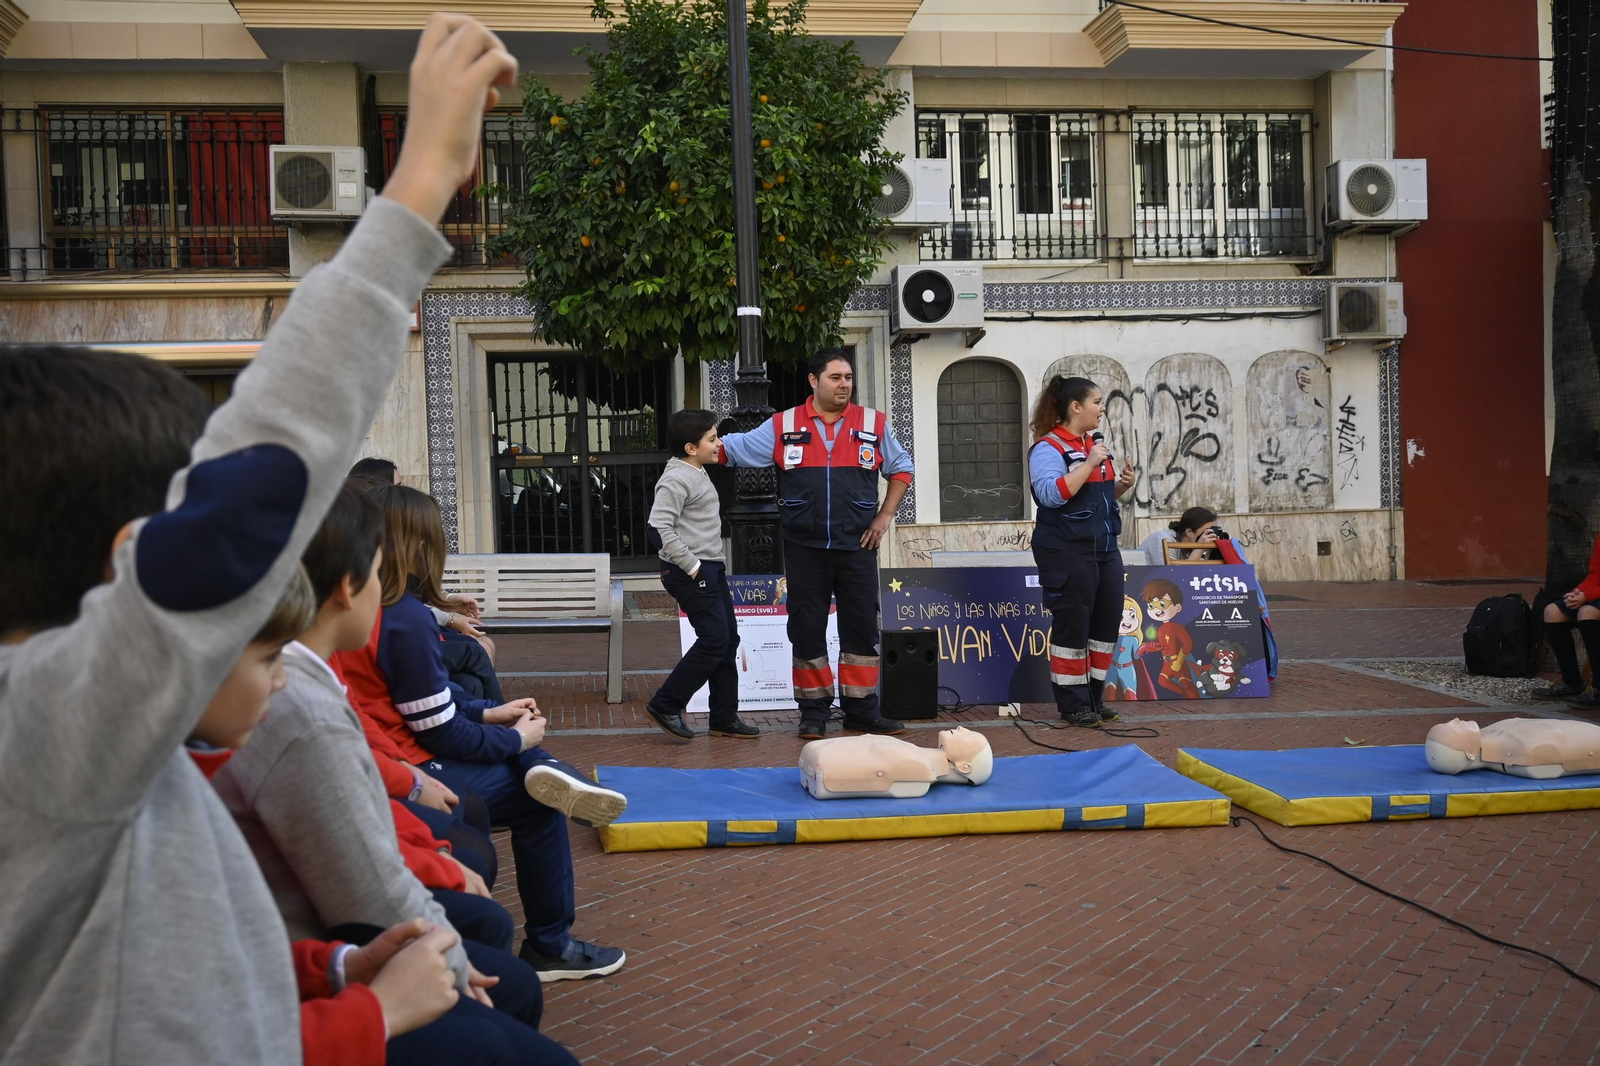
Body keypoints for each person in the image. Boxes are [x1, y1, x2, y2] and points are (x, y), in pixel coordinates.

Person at [0, 16, 516, 1062]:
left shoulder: (95, 757)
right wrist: (417, 183)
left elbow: (172, 952)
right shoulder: (45, 737)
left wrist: (329, 971)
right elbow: (265, 459)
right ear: (130, 555)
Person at [192, 564, 578, 1066]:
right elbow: (359, 863)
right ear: (346, 586)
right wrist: (377, 1006)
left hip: (312, 965)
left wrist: (338, 967)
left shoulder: (310, 681)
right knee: (518, 805)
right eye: (268, 660)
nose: (279, 679)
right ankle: (551, 931)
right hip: (414, 765)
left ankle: (543, 766)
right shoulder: (299, 713)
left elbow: (364, 756)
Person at [335, 484, 627, 982]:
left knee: (518, 746)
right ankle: (550, 945)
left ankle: (543, 766)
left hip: (394, 750)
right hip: (413, 765)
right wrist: (513, 740)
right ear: (421, 544)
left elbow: (408, 703)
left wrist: (491, 714)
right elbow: (437, 731)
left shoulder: (363, 602)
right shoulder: (402, 615)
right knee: (539, 801)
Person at [718, 347, 915, 738]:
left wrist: (885, 516)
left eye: (848, 378)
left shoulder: (873, 423)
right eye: (835, 378)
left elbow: (902, 468)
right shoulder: (783, 424)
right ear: (814, 381)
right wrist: (692, 448)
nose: (845, 385)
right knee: (807, 629)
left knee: (861, 630)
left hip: (858, 546)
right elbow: (732, 450)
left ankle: (862, 709)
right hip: (804, 547)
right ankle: (813, 712)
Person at [1027, 375, 1138, 726]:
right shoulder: (1048, 448)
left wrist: (1120, 484)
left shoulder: (1091, 444)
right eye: (1097, 402)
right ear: (1076, 407)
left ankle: (1093, 699)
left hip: (1104, 549)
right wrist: (1089, 464)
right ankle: (1073, 704)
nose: (1102, 408)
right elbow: (1051, 495)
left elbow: (1096, 499)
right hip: (1065, 551)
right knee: (1072, 629)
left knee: (1104, 628)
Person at [644, 409, 761, 741]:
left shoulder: (696, 470)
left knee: (727, 641)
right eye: (712, 439)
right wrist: (693, 566)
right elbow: (658, 528)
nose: (718, 443)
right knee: (714, 641)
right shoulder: (677, 477)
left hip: (710, 567)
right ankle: (666, 704)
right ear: (691, 447)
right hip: (691, 570)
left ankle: (723, 716)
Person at [1535, 532, 1600, 709]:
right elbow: (1596, 573)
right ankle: (1571, 681)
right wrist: (1579, 592)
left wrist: (1588, 596)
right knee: (1552, 612)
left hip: (1595, 597)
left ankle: (1598, 688)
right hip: (1595, 594)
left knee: (1587, 612)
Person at [1138, 506, 1223, 565]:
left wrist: (1211, 550)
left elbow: (1202, 573)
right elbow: (1173, 577)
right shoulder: (1164, 539)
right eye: (1207, 531)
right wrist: (1199, 549)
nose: (1210, 535)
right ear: (1189, 532)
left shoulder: (1191, 546)